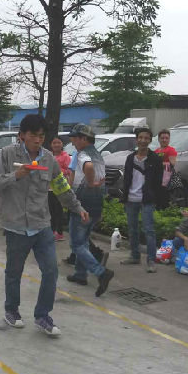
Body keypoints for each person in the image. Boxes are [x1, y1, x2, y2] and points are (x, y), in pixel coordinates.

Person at [0, 114, 89, 338]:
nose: (37, 140)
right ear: (22, 135)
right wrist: (17, 174)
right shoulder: (7, 154)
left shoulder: (48, 159)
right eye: (33, 135)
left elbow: (61, 187)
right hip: (16, 226)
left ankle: (42, 315)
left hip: (41, 224)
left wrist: (78, 208)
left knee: (51, 271)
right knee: (14, 272)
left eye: (41, 136)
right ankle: (11, 310)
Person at [64, 124, 114, 296]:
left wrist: (90, 183)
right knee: (83, 240)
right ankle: (80, 274)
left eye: (75, 138)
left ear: (84, 139)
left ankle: (101, 272)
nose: (73, 142)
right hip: (96, 204)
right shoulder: (98, 155)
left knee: (76, 244)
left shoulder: (82, 154)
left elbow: (89, 167)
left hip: (82, 203)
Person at [120, 127, 162, 272]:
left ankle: (151, 260)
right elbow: (126, 179)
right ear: (136, 139)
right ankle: (134, 256)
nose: (143, 140)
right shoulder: (130, 158)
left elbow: (158, 182)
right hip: (131, 198)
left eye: (146, 138)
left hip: (147, 200)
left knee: (149, 230)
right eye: (140, 137)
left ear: (150, 140)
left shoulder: (155, 159)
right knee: (132, 229)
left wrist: (154, 197)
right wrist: (124, 197)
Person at [48, 136, 72, 241]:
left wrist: (59, 170)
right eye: (54, 143)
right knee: (51, 211)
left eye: (58, 142)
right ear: (51, 145)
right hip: (49, 188)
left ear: (62, 144)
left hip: (60, 187)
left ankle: (60, 233)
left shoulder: (66, 156)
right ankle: (52, 231)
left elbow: (69, 171)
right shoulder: (49, 156)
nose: (56, 145)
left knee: (59, 210)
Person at [154, 128, 178, 208]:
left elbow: (172, 164)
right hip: (157, 177)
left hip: (166, 177)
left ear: (169, 139)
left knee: (164, 196)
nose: (164, 140)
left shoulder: (171, 150)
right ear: (158, 139)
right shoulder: (156, 151)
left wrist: (158, 164)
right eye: (162, 138)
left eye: (166, 138)